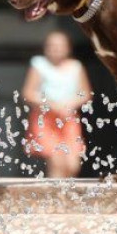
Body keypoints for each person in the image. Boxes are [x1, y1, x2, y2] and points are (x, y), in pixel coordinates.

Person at [22, 31, 92, 178]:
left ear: (68, 48)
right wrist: (50, 104)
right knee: (57, 161)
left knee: (73, 164)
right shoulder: (39, 64)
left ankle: (66, 197)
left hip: (68, 118)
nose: (56, 49)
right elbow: (28, 93)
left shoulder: (76, 66)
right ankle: (55, 199)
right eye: (52, 45)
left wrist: (70, 104)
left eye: (60, 45)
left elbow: (85, 94)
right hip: (46, 118)